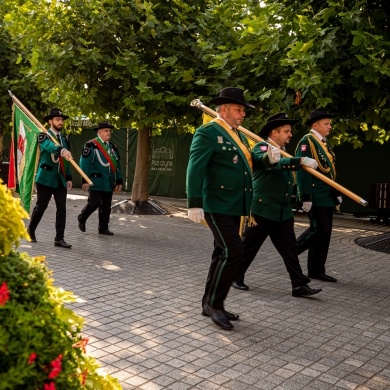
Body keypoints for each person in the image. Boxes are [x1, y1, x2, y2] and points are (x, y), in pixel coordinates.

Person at [232, 113, 322, 297]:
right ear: (275, 132)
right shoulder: (261, 147)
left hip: (282, 212)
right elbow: (272, 164)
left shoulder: (283, 152)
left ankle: (299, 285)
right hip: (262, 210)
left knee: (289, 250)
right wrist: (299, 161)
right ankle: (235, 276)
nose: (290, 135)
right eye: (286, 131)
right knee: (249, 247)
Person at [186, 87, 254, 331]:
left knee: (221, 252)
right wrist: (194, 202)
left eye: (243, 110)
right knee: (233, 252)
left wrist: (282, 160)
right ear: (223, 110)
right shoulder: (208, 132)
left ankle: (209, 303)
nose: (242, 114)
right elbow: (195, 168)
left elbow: (250, 163)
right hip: (216, 203)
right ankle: (216, 304)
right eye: (238, 109)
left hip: (235, 204)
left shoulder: (238, 135)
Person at [295, 108, 341, 283]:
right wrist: (305, 196)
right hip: (315, 195)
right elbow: (302, 171)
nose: (330, 126)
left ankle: (316, 270)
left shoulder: (323, 142)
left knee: (325, 233)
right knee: (318, 229)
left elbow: (329, 173)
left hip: (326, 195)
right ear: (315, 125)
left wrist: (335, 193)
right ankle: (291, 251)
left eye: (329, 123)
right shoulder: (307, 142)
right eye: (326, 123)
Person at [27, 108, 73, 248]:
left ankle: (59, 238)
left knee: (62, 208)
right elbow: (47, 146)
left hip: (60, 178)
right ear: (50, 121)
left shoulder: (64, 139)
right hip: (45, 178)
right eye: (57, 119)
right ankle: (30, 230)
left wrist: (69, 177)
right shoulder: (43, 135)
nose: (60, 122)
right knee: (41, 206)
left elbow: (67, 160)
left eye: (61, 120)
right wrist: (61, 150)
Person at [78, 122, 123, 235]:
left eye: (109, 131)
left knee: (106, 206)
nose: (109, 133)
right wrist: (85, 180)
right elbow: (84, 163)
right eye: (106, 130)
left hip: (108, 181)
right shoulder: (91, 145)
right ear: (99, 132)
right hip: (95, 181)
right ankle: (82, 218)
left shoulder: (113, 147)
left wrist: (119, 180)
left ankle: (103, 228)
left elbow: (117, 165)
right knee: (94, 202)